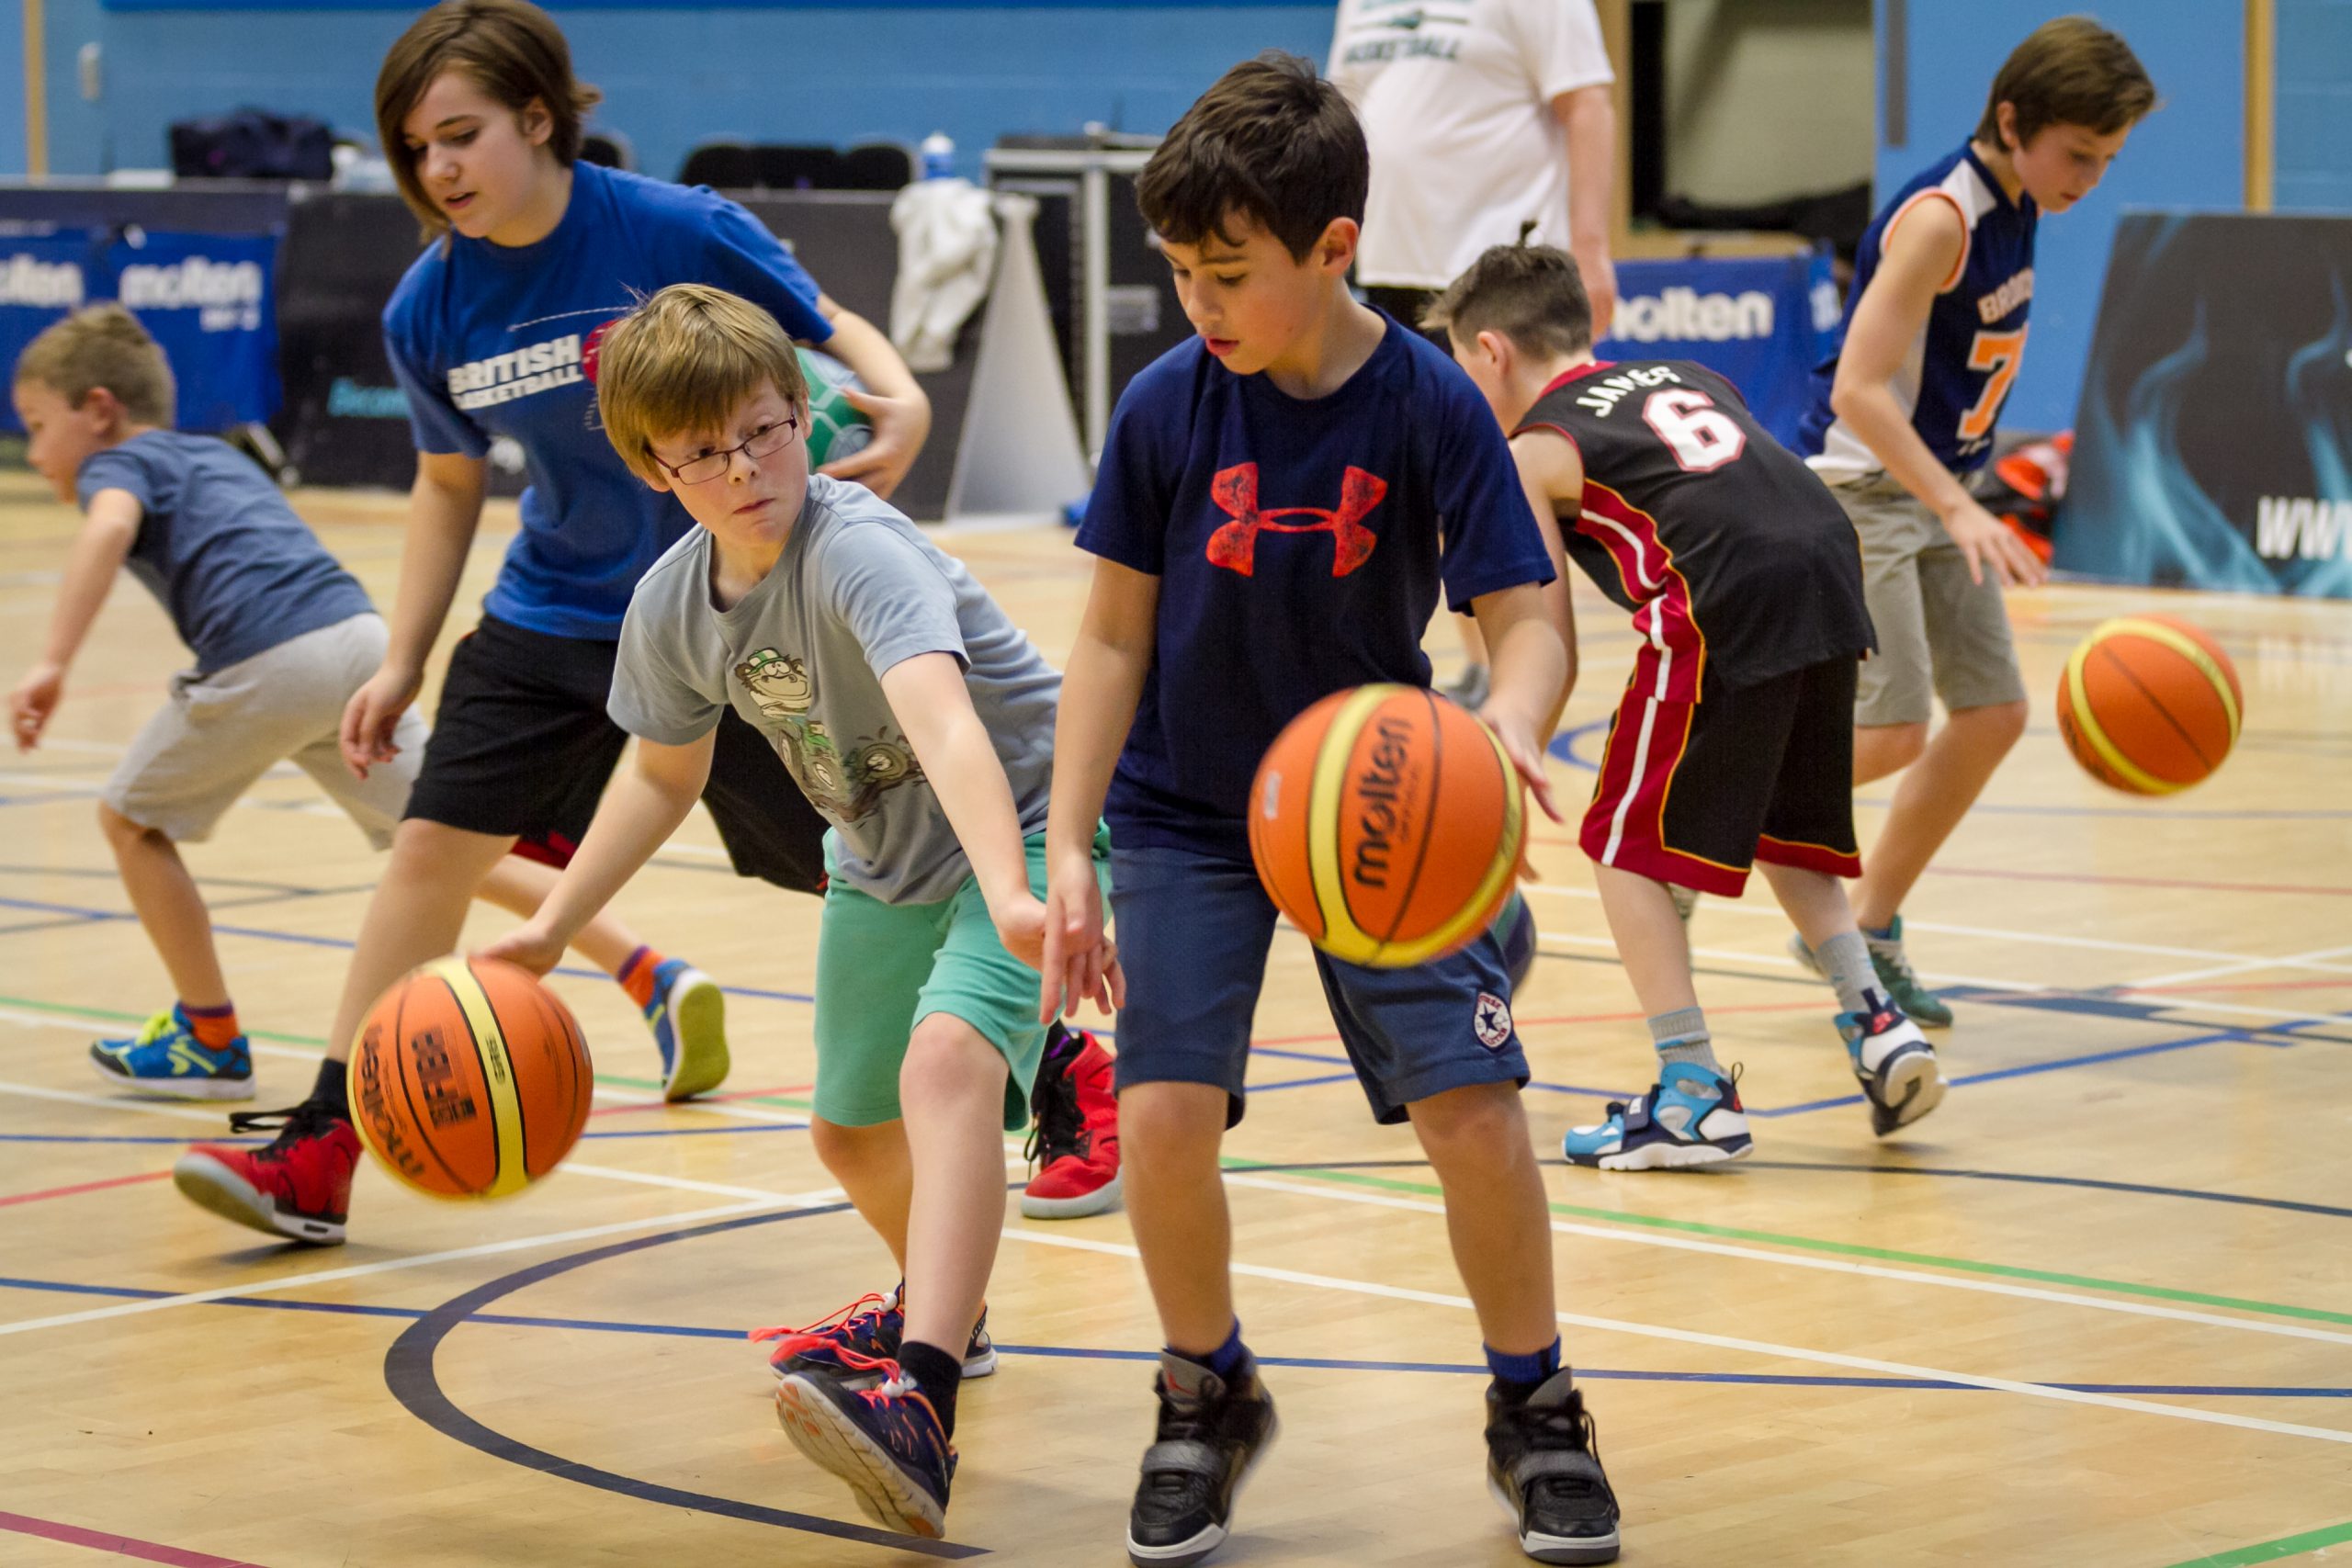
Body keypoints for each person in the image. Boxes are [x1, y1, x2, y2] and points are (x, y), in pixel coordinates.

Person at [165, 0, 934, 1247]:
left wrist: (902, 398)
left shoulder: (674, 228)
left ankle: (1054, 1057)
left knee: (854, 860)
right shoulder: (432, 305)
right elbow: (448, 482)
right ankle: (323, 1144)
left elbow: (826, 325)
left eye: (462, 134)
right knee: (429, 851)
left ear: (540, 117)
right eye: (417, 149)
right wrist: (405, 654)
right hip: (549, 614)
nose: (441, 169)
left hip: (724, 609)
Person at [1039, 54, 1622, 1568]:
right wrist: (1067, 844)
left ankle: (1537, 1404)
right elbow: (1109, 637)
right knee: (1162, 1118)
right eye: (1176, 272)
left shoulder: (1430, 402)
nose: (1196, 304)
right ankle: (1200, 1388)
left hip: (1381, 806)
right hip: (1184, 809)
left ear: (1336, 248)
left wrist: (1501, 733)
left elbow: (1530, 616)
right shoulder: (1170, 404)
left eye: (1227, 274)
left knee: (1475, 1115)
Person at [478, 283, 1108, 1539]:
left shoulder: (859, 546)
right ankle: (950, 1306)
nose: (746, 465)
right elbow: (662, 774)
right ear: (655, 465)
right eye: (704, 451)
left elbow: (945, 719)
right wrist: (554, 928)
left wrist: (1016, 890)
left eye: (766, 429)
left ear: (799, 412)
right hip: (880, 851)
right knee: (850, 1131)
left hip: (1031, 822)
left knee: (943, 1069)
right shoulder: (671, 603)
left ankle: (920, 1395)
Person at [6, 304, 679, 1121]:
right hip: (359, 645)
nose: (37, 453)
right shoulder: (216, 459)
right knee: (442, 848)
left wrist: (51, 661)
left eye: (39, 426)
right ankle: (650, 972)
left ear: (101, 410)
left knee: (129, 822)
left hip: (270, 658)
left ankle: (208, 1038)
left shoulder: (125, 465)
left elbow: (110, 528)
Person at [1430, 244, 1945, 1166]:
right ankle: (1879, 1026)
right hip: (1830, 568)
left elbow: (1545, 634)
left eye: (1463, 365)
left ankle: (1692, 1092)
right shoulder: (1686, 374)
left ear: (1493, 353)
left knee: (1619, 847)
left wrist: (1507, 777)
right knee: (1785, 830)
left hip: (1722, 595)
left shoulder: (1530, 450)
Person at [1794, 18, 2155, 1023]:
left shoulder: (2022, 199)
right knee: (1897, 726)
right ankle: (1703, 814)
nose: (2088, 177)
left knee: (1992, 715)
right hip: (1863, 487)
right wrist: (1961, 506)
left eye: (2106, 159)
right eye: (2077, 154)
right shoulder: (1939, 219)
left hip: (1934, 489)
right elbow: (1862, 390)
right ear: (2011, 121)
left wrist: (1955, 494)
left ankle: (1870, 925)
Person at [1330, 0, 1620, 712]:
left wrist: (1591, 249)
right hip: (1389, 266)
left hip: (1489, 274)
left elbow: (1588, 105)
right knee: (1420, 482)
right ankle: (1476, 663)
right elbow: (1341, 112)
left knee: (1493, 482)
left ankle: (1517, 668)